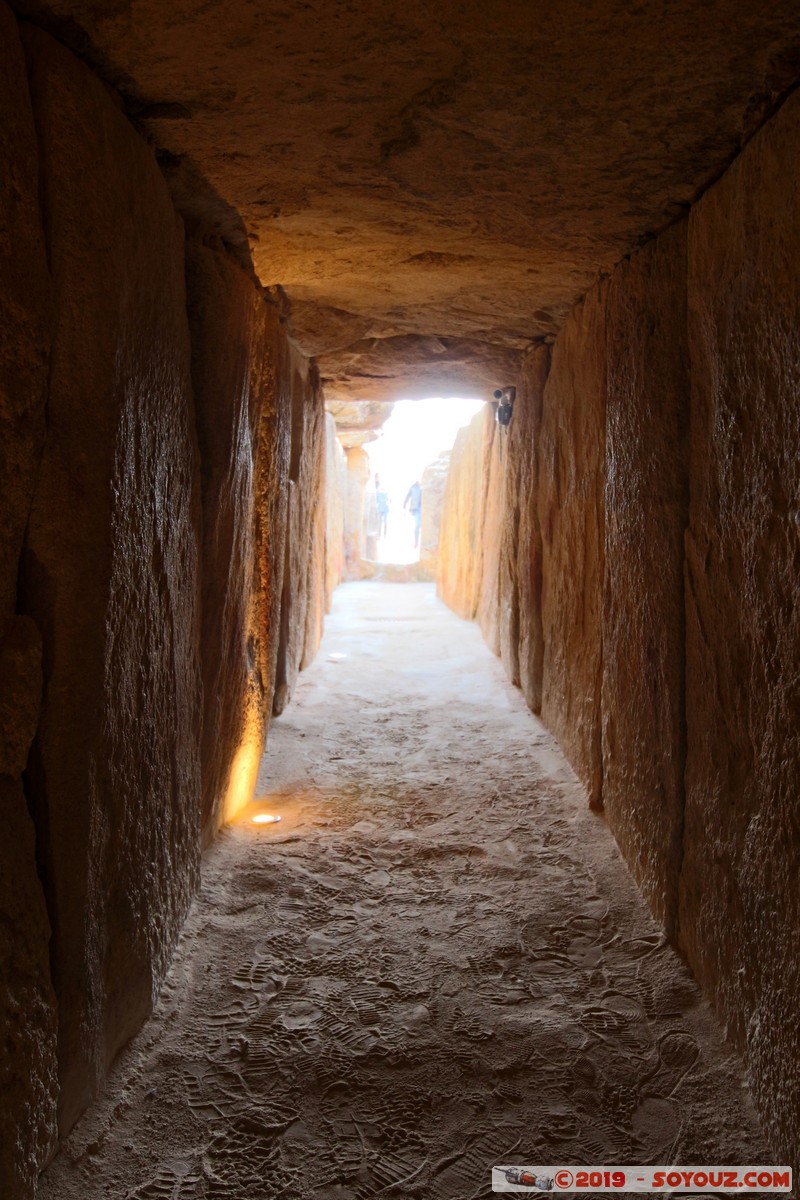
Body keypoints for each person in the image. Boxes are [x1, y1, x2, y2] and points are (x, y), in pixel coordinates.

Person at [403, 479, 422, 548]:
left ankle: (422, 542)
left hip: (424, 509)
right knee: (418, 525)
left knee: (422, 525)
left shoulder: (426, 485)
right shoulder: (413, 487)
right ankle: (416, 542)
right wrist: (404, 505)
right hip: (416, 509)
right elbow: (407, 496)